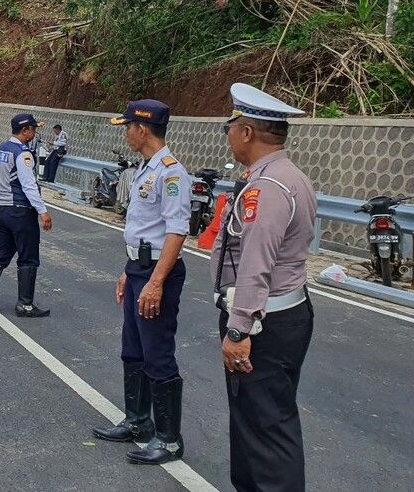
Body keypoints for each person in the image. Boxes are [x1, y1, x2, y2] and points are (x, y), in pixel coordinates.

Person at [211, 83, 315, 491]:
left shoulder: (266, 188)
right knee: (258, 419)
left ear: (248, 132)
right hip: (282, 314)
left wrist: (238, 329)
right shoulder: (289, 176)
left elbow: (256, 264)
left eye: (231, 126)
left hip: (263, 322)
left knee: (267, 427)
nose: (229, 135)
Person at [93, 100, 190, 465]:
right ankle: (138, 423)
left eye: (128, 126)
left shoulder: (171, 172)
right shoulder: (146, 168)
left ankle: (168, 439)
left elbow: (177, 232)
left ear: (143, 129)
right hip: (139, 269)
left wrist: (155, 282)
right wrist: (128, 269)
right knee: (132, 350)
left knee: (157, 354)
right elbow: (143, 232)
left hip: (156, 275)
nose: (126, 132)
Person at [0, 113, 53, 317]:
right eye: (33, 129)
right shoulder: (23, 153)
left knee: (0, 255)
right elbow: (28, 185)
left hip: (1, 210)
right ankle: (25, 305)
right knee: (28, 258)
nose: (34, 133)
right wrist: (42, 211)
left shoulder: (0, 150)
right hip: (20, 211)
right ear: (25, 130)